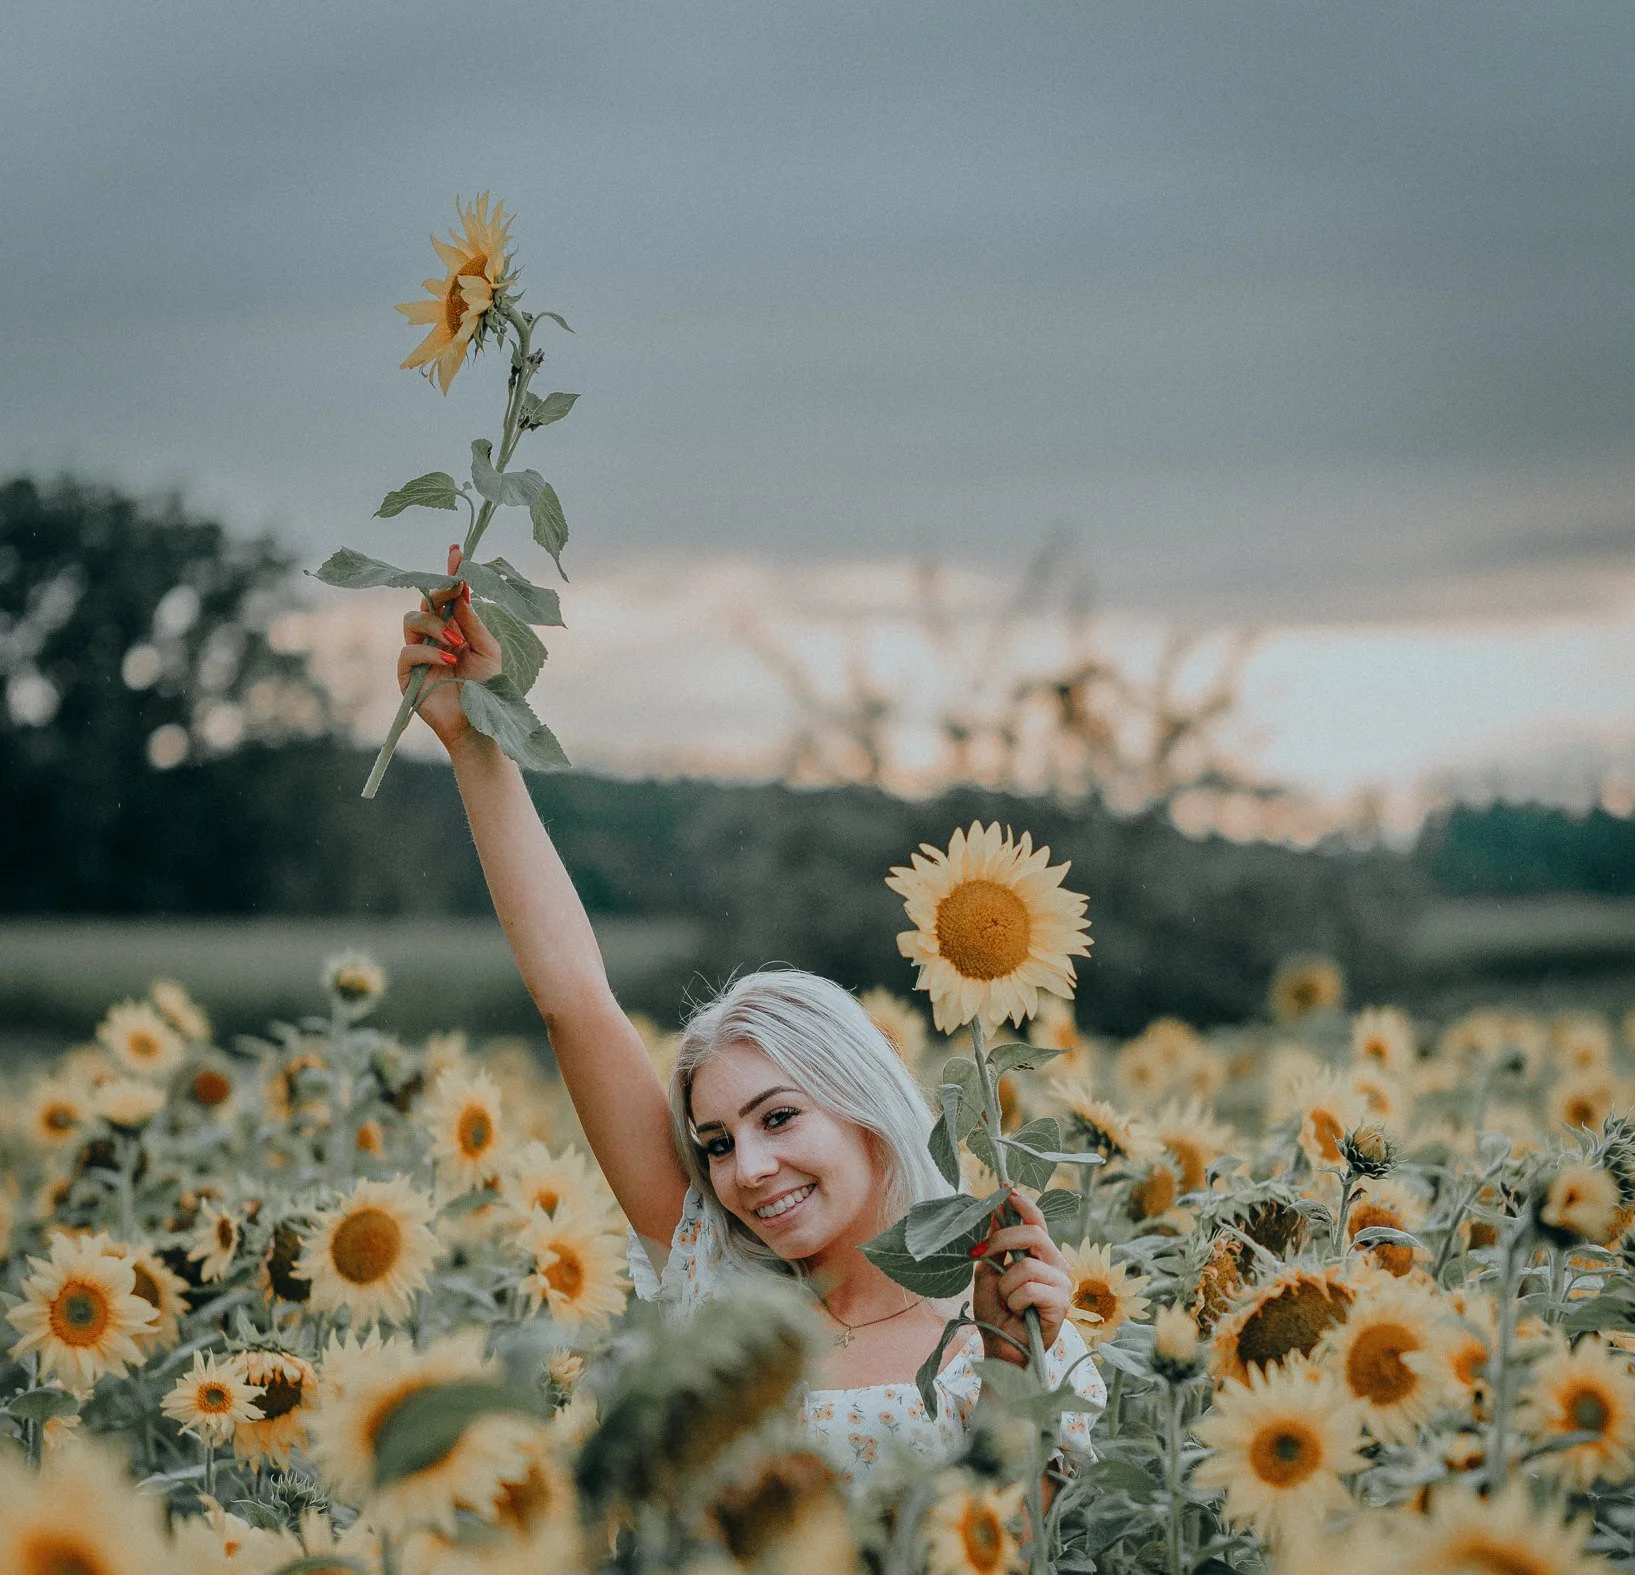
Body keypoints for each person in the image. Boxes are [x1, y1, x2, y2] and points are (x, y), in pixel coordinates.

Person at [396, 548, 1104, 1481]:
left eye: (777, 1117)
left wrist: (1018, 1368)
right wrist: (474, 739)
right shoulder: (716, 1286)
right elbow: (574, 1001)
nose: (749, 1171)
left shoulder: (1004, 1320)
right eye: (718, 1143)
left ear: (861, 1101)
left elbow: (1019, 1574)